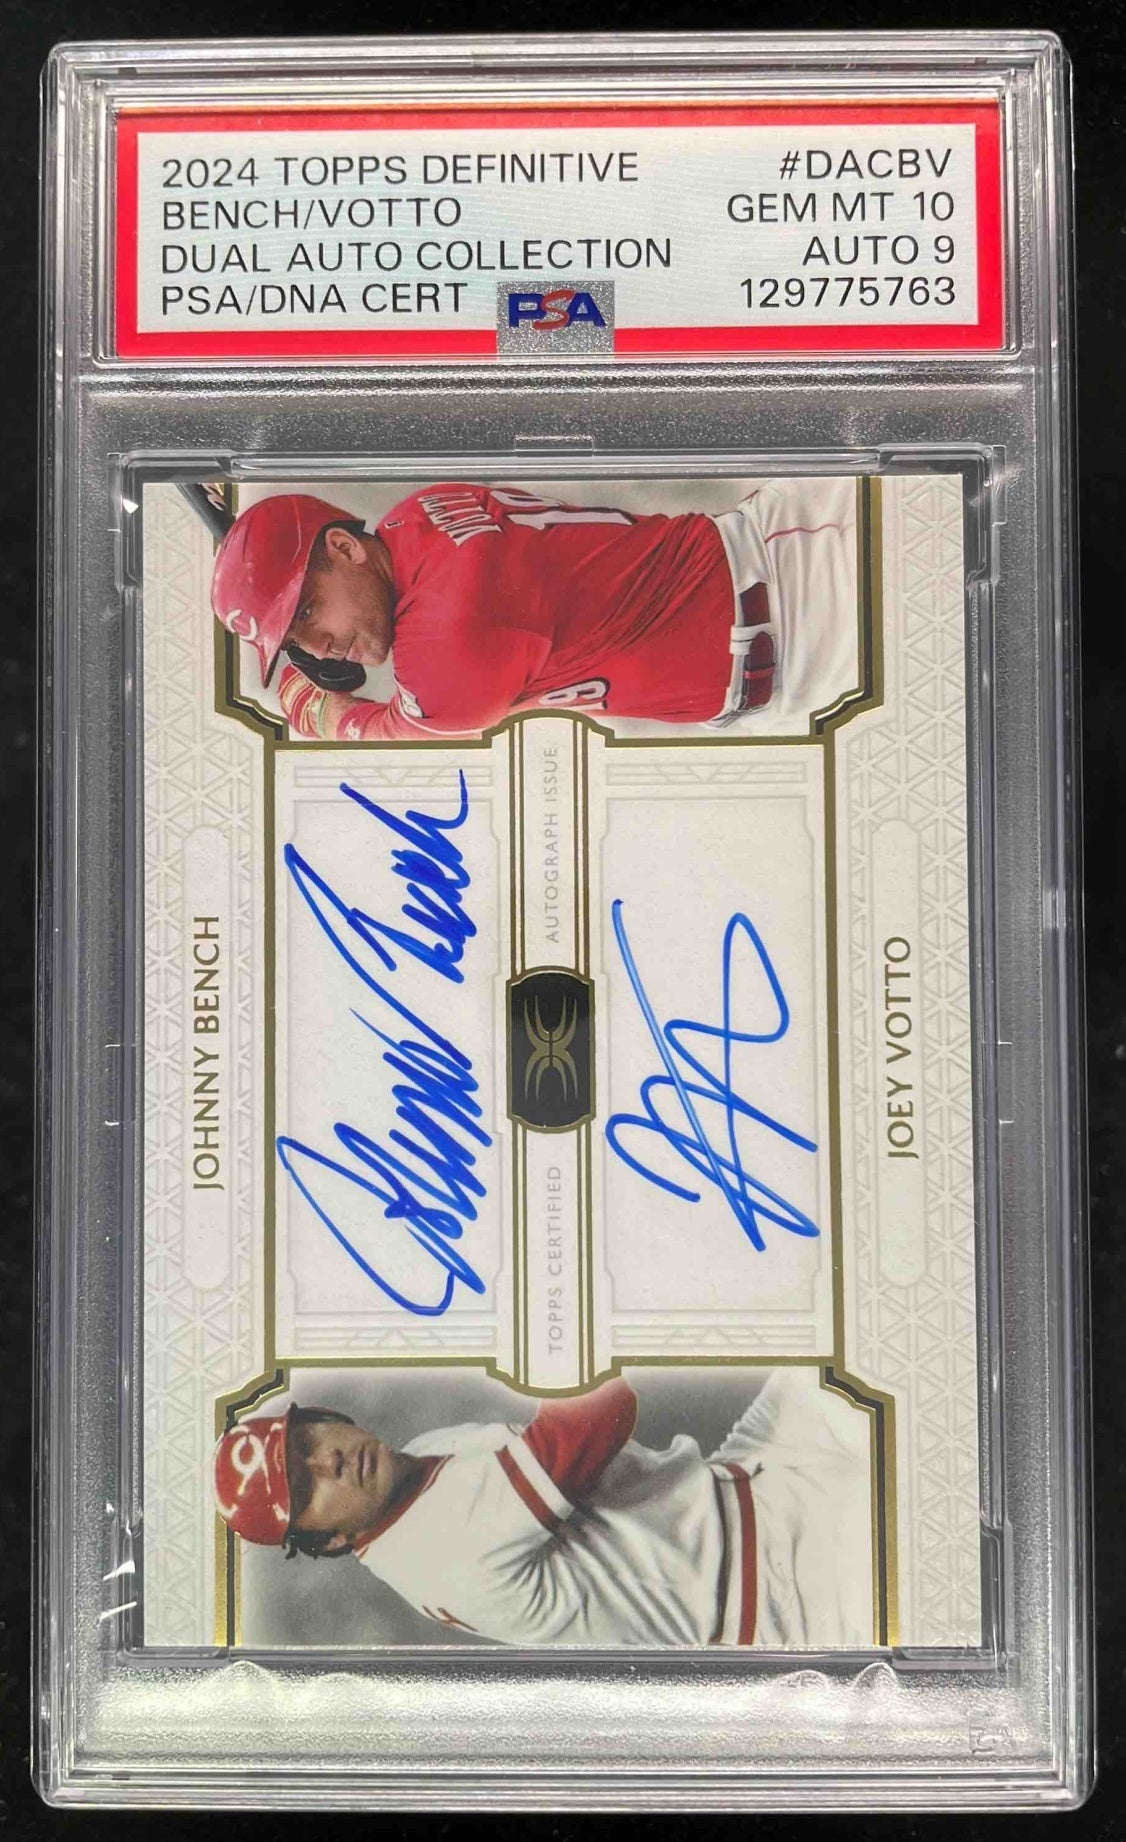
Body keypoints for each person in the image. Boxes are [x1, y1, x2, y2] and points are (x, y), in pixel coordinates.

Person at [213, 1370, 873, 1648]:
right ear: (329, 1542)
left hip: (751, 1475)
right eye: (304, 1489)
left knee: (834, 1312)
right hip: (786, 1584)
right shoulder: (435, 1547)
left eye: (306, 1444)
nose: (327, 1461)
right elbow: (597, 1416)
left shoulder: (414, 1463)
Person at [209, 478, 858, 741]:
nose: (318, 646)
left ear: (346, 548)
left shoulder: (446, 640)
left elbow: (388, 740)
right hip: (785, 601)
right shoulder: (416, 516)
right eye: (295, 641)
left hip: (816, 585)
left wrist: (319, 708)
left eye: (306, 612)